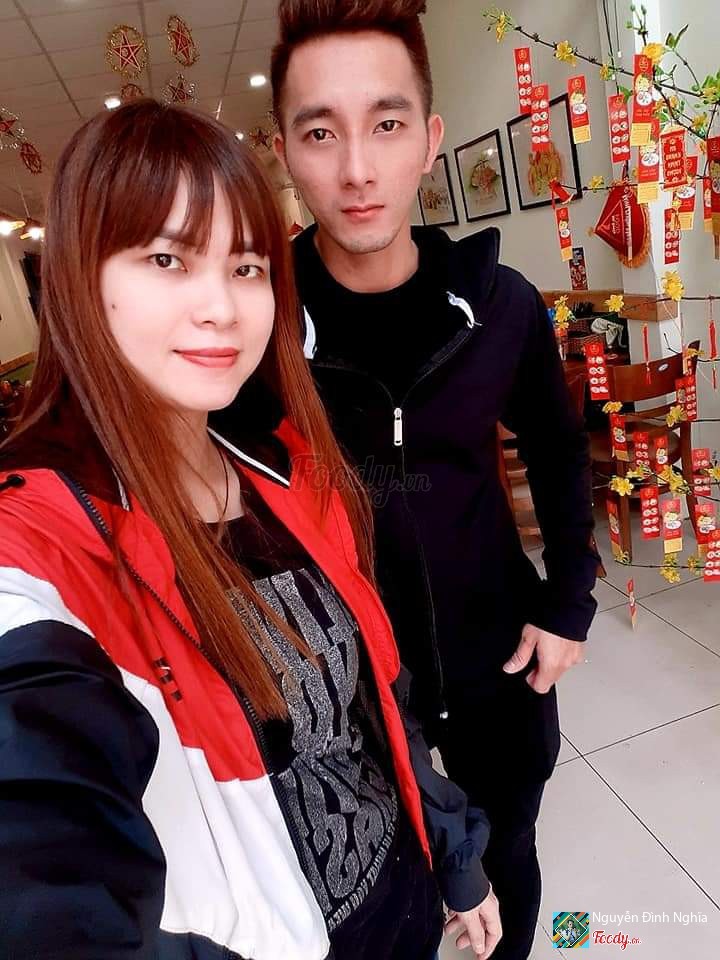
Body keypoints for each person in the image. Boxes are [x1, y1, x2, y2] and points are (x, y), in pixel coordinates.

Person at [0, 100, 500, 960]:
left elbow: (379, 699)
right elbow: (46, 873)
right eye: (167, 258)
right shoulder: (38, 551)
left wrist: (455, 855)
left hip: (402, 898)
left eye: (246, 266)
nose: (222, 308)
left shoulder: (287, 472)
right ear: (81, 280)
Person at [270, 2, 599, 958]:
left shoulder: (499, 306)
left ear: (429, 138)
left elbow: (558, 446)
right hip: (352, 689)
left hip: (498, 656)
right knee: (393, 895)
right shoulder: (259, 327)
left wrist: (569, 602)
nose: (357, 168)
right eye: (320, 132)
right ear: (284, 152)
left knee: (510, 855)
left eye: (386, 123)